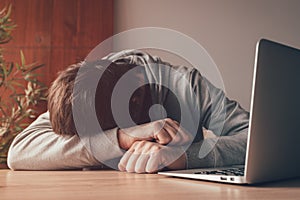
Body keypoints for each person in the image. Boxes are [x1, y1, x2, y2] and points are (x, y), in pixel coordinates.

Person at [7, 49, 249, 173]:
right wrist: (121, 138)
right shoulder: (84, 92)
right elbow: (19, 152)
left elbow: (254, 138)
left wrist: (183, 158)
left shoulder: (188, 86)